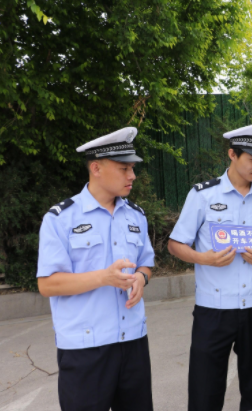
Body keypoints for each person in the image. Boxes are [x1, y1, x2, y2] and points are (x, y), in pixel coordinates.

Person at [37, 127, 155, 411]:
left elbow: (147, 262)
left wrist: (141, 277)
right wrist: (104, 277)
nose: (132, 176)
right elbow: (48, 284)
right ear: (96, 168)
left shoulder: (136, 216)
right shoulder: (60, 219)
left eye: (133, 168)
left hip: (133, 341)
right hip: (84, 349)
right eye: (124, 168)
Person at [168, 123, 252, 411]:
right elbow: (175, 244)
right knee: (205, 392)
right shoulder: (203, 196)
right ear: (232, 154)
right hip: (214, 310)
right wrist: (204, 258)